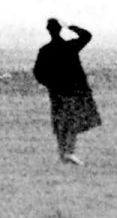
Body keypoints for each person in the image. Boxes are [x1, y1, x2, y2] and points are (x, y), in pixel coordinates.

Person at [32, 18, 101, 165]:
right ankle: (69, 152)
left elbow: (38, 73)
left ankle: (63, 153)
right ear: (59, 29)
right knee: (72, 122)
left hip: (57, 92)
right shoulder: (70, 46)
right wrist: (70, 26)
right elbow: (87, 35)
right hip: (74, 91)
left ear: (48, 31)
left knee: (60, 122)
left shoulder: (45, 50)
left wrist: (50, 84)